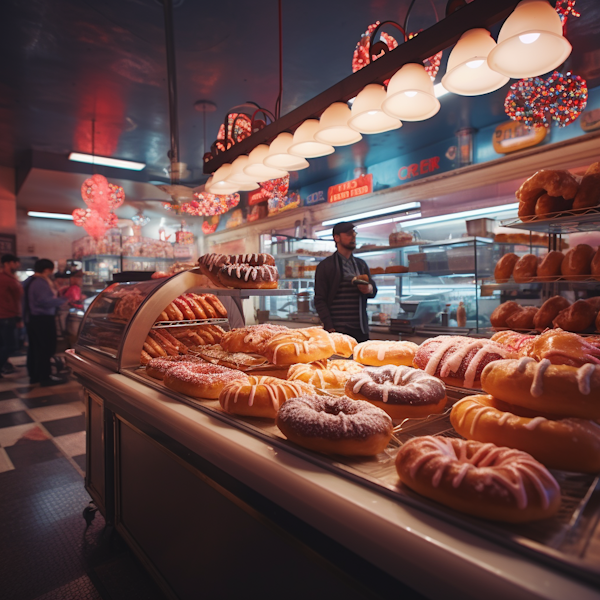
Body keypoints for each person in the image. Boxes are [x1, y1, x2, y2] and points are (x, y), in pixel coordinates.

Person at [314, 222, 377, 343]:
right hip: (338, 331)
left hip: (361, 330)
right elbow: (319, 300)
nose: (353, 236)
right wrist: (329, 326)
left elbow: (373, 289)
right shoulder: (325, 266)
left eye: (354, 233)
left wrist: (369, 288)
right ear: (336, 238)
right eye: (348, 234)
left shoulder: (361, 264)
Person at [22, 258, 68, 386]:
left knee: (34, 348)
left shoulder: (28, 280)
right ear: (48, 269)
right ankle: (45, 377)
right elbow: (44, 301)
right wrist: (62, 300)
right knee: (45, 348)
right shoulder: (40, 282)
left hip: (31, 318)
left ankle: (35, 375)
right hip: (42, 319)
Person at [0, 253, 23, 378]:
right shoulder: (8, 280)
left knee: (3, 345)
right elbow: (18, 298)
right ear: (7, 263)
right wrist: (19, 318)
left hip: (4, 316)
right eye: (15, 263)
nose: (17, 265)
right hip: (7, 317)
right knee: (11, 345)